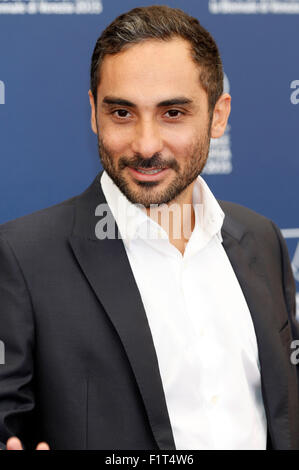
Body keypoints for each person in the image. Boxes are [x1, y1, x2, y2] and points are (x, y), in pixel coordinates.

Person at [0, 5, 298, 451]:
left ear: (218, 116)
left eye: (172, 113)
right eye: (121, 113)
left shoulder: (262, 238)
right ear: (93, 112)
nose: (145, 145)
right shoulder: (22, 257)